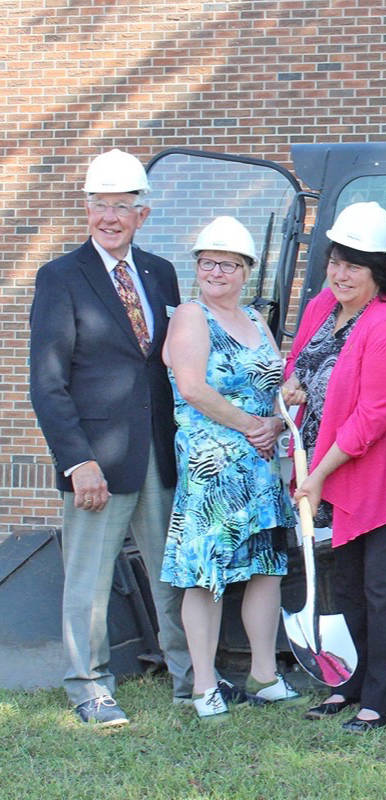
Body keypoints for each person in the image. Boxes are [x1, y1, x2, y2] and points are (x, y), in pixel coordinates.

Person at [28, 149, 192, 727]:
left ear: (142, 214)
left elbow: (170, 363)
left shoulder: (160, 272)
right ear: (88, 209)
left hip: (159, 453)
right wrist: (77, 462)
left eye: (122, 206)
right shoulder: (59, 277)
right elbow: (48, 382)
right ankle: (89, 687)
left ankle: (190, 678)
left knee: (173, 572)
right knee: (90, 581)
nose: (109, 217)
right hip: (98, 459)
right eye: (99, 205)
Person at [280, 201, 386, 732]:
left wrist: (318, 475)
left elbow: (373, 415)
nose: (341, 274)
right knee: (346, 587)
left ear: (380, 271)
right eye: (336, 261)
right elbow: (299, 367)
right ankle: (349, 683)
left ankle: (382, 697)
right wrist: (292, 391)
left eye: (355, 266)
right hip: (333, 472)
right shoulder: (322, 307)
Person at [161, 216, 298, 718]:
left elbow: (275, 388)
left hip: (260, 465)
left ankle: (263, 673)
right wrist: (251, 425)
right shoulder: (191, 317)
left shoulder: (257, 321)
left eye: (228, 264)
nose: (216, 271)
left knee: (265, 567)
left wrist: (278, 422)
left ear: (246, 271)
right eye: (207, 262)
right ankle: (204, 685)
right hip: (212, 464)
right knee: (205, 572)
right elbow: (194, 387)